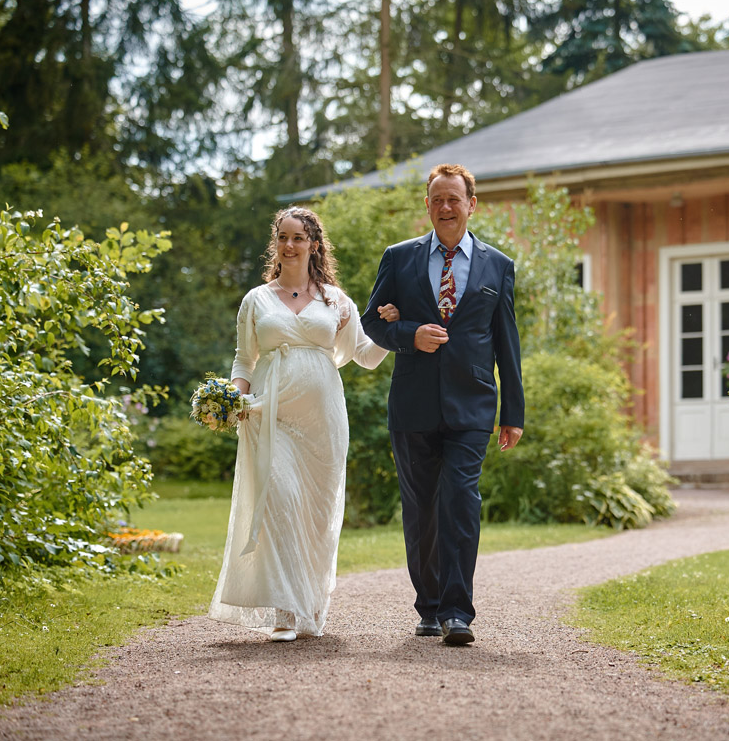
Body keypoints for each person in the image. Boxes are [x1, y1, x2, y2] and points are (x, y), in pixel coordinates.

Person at [209, 206, 397, 642]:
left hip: (322, 421)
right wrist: (233, 398)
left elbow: (366, 356)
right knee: (278, 500)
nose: (289, 246)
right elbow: (244, 359)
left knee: (314, 514)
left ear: (314, 244)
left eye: (298, 238)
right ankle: (284, 612)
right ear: (275, 244)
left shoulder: (337, 301)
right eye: (282, 237)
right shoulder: (256, 300)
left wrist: (393, 329)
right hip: (268, 415)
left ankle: (309, 604)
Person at [361, 162, 524, 646]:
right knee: (420, 510)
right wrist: (410, 333)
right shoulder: (399, 258)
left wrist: (512, 413)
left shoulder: (498, 265)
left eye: (454, 199)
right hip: (412, 405)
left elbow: (506, 342)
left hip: (472, 405)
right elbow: (371, 322)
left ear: (471, 204)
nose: (446, 207)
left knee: (460, 501)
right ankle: (428, 606)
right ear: (427, 206)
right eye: (437, 200)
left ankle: (458, 612)